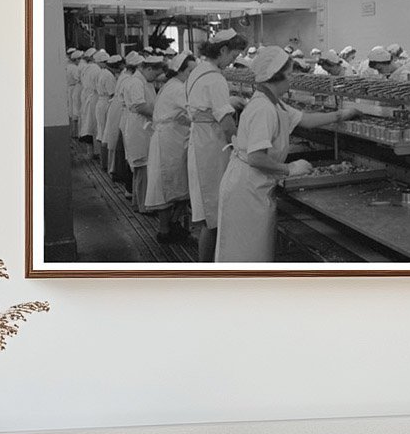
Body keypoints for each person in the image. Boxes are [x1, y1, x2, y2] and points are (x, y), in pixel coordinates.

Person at [216, 47, 360, 262]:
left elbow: (307, 120)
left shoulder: (275, 103)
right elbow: (256, 157)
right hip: (246, 190)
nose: (292, 79)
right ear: (276, 76)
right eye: (290, 74)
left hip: (255, 186)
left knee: (254, 254)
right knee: (245, 254)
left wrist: (342, 114)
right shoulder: (263, 108)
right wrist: (290, 169)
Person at [187, 28, 248, 262]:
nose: (234, 61)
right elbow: (226, 124)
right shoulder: (215, 78)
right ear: (223, 50)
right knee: (213, 217)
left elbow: (204, 105)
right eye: (233, 55)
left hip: (200, 142)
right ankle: (207, 269)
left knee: (209, 213)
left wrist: (228, 101)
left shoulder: (200, 70)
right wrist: (241, 149)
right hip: (211, 148)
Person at [145, 51, 196, 243]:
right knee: (168, 186)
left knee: (176, 186)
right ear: (181, 71)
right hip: (169, 143)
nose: (193, 74)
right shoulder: (178, 89)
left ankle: (171, 226)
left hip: (172, 139)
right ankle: (165, 231)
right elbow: (195, 109)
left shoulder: (173, 85)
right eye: (191, 70)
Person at [121, 53, 166, 210]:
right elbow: (140, 106)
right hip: (139, 127)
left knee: (144, 168)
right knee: (142, 167)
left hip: (144, 126)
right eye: (154, 74)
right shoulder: (136, 83)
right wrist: (159, 115)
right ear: (147, 68)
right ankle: (143, 206)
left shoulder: (143, 81)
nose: (155, 78)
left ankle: (139, 201)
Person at [106, 51, 140, 192]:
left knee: (123, 149)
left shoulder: (125, 76)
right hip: (127, 115)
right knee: (128, 153)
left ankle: (123, 181)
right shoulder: (130, 80)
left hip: (123, 112)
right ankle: (128, 187)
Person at [66, 49, 83, 137]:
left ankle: (73, 132)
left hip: (70, 88)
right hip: (75, 87)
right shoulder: (74, 68)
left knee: (72, 110)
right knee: (77, 111)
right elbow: (79, 78)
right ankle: (76, 132)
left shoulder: (68, 66)